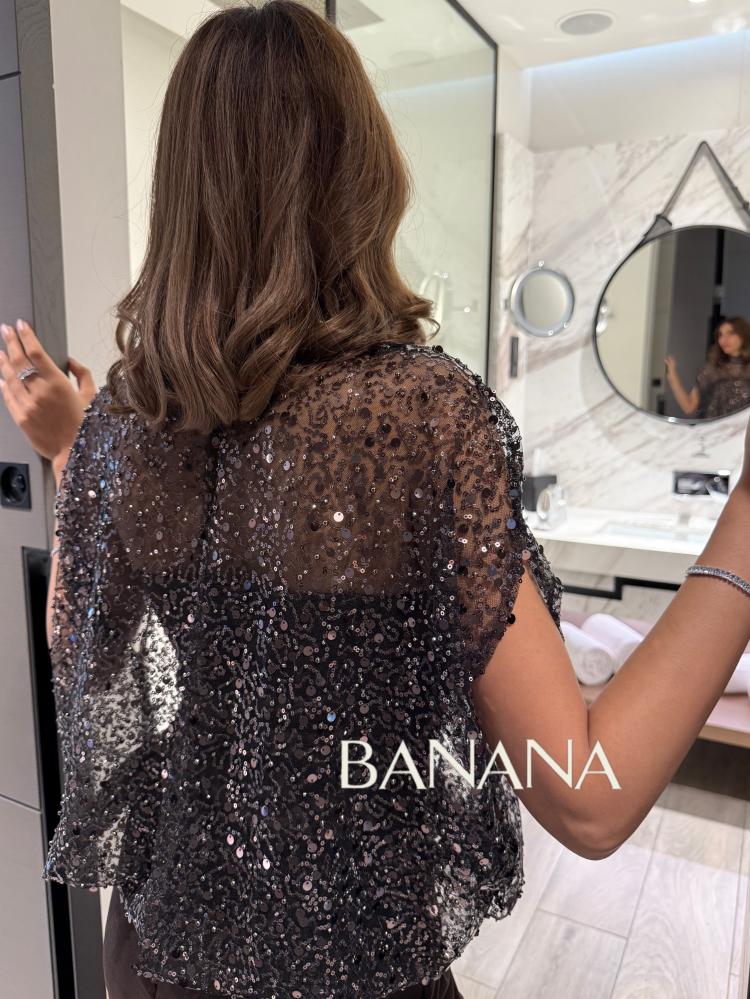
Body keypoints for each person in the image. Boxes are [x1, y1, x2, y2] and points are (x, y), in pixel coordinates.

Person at [0, 3, 749, 998]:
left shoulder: (129, 424)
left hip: (158, 955)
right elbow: (588, 794)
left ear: (179, 193)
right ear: (365, 177)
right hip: (349, 963)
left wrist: (77, 455)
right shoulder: (417, 423)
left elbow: (84, 652)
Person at [665, 316, 750, 419]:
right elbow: (689, 407)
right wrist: (672, 377)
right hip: (713, 428)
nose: (723, 339)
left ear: (744, 335)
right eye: (720, 335)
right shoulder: (710, 369)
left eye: (731, 333)